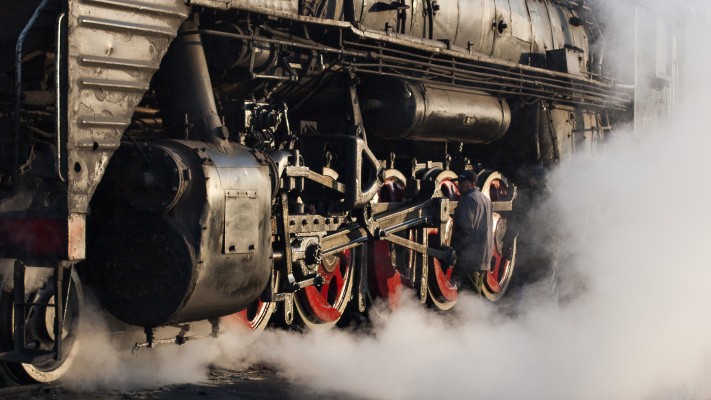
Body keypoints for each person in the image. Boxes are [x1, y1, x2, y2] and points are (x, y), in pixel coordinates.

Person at [451, 170, 493, 292]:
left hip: (470, 257)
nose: (459, 185)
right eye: (459, 182)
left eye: (462, 182)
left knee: (469, 294)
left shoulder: (468, 200)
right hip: (482, 255)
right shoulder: (485, 200)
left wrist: (456, 253)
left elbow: (465, 228)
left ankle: (474, 312)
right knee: (475, 290)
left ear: (472, 183)